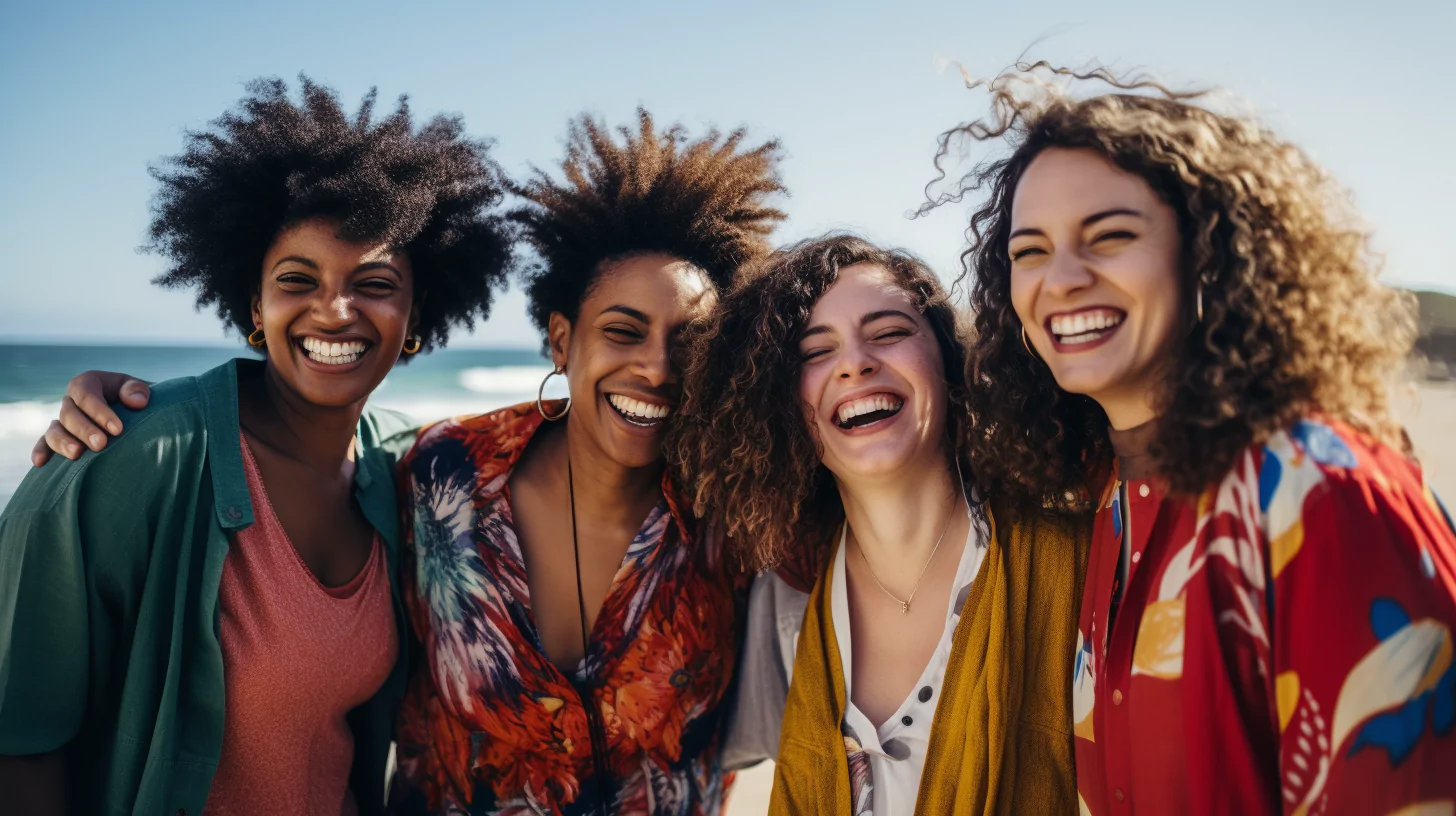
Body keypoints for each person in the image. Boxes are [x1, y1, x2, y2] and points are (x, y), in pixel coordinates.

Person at [36, 109, 788, 815]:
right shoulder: (440, 472)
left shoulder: (740, 505)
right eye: (623, 331)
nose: (657, 368)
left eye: (689, 341)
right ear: (562, 341)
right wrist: (139, 419)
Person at [934, 64, 1456, 815]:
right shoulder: (1111, 499)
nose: (1064, 278)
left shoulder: (1318, 490)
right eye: (1030, 251)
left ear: (1207, 252)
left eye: (1110, 237)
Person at [0, 76, 512, 816]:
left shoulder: (402, 470)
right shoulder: (126, 456)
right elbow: (20, 738)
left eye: (373, 283)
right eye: (297, 279)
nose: (334, 311)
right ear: (254, 305)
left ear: (416, 311)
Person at [671, 234, 1090, 815]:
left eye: (890, 332)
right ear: (782, 406)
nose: (854, 363)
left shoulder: (1076, 553)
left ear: (948, 361)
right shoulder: (792, 601)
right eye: (815, 352)